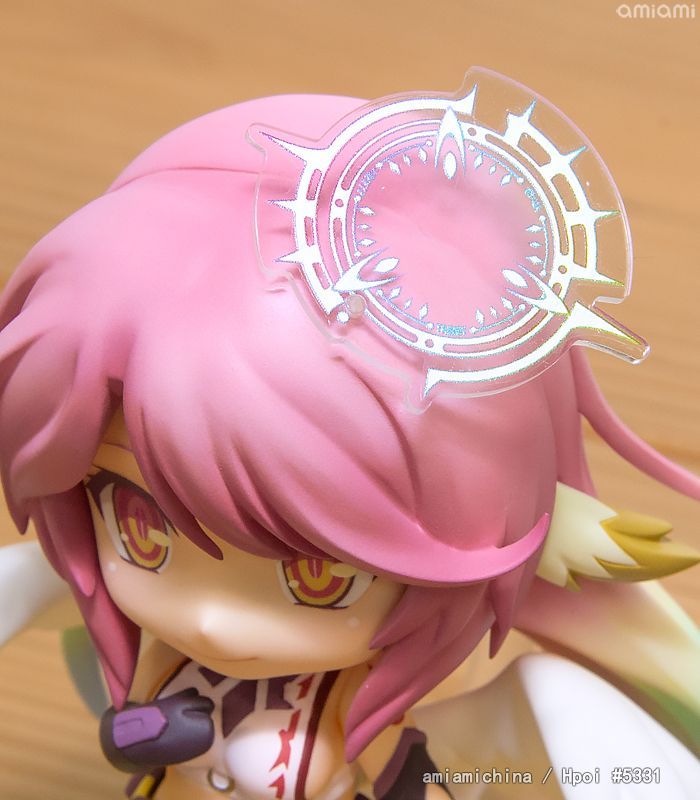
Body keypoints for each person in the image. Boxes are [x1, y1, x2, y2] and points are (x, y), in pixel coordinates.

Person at [0, 72, 698, 799]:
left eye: (320, 577)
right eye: (141, 530)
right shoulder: (159, 649)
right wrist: (149, 729)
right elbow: (124, 722)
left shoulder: (357, 708)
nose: (211, 622)